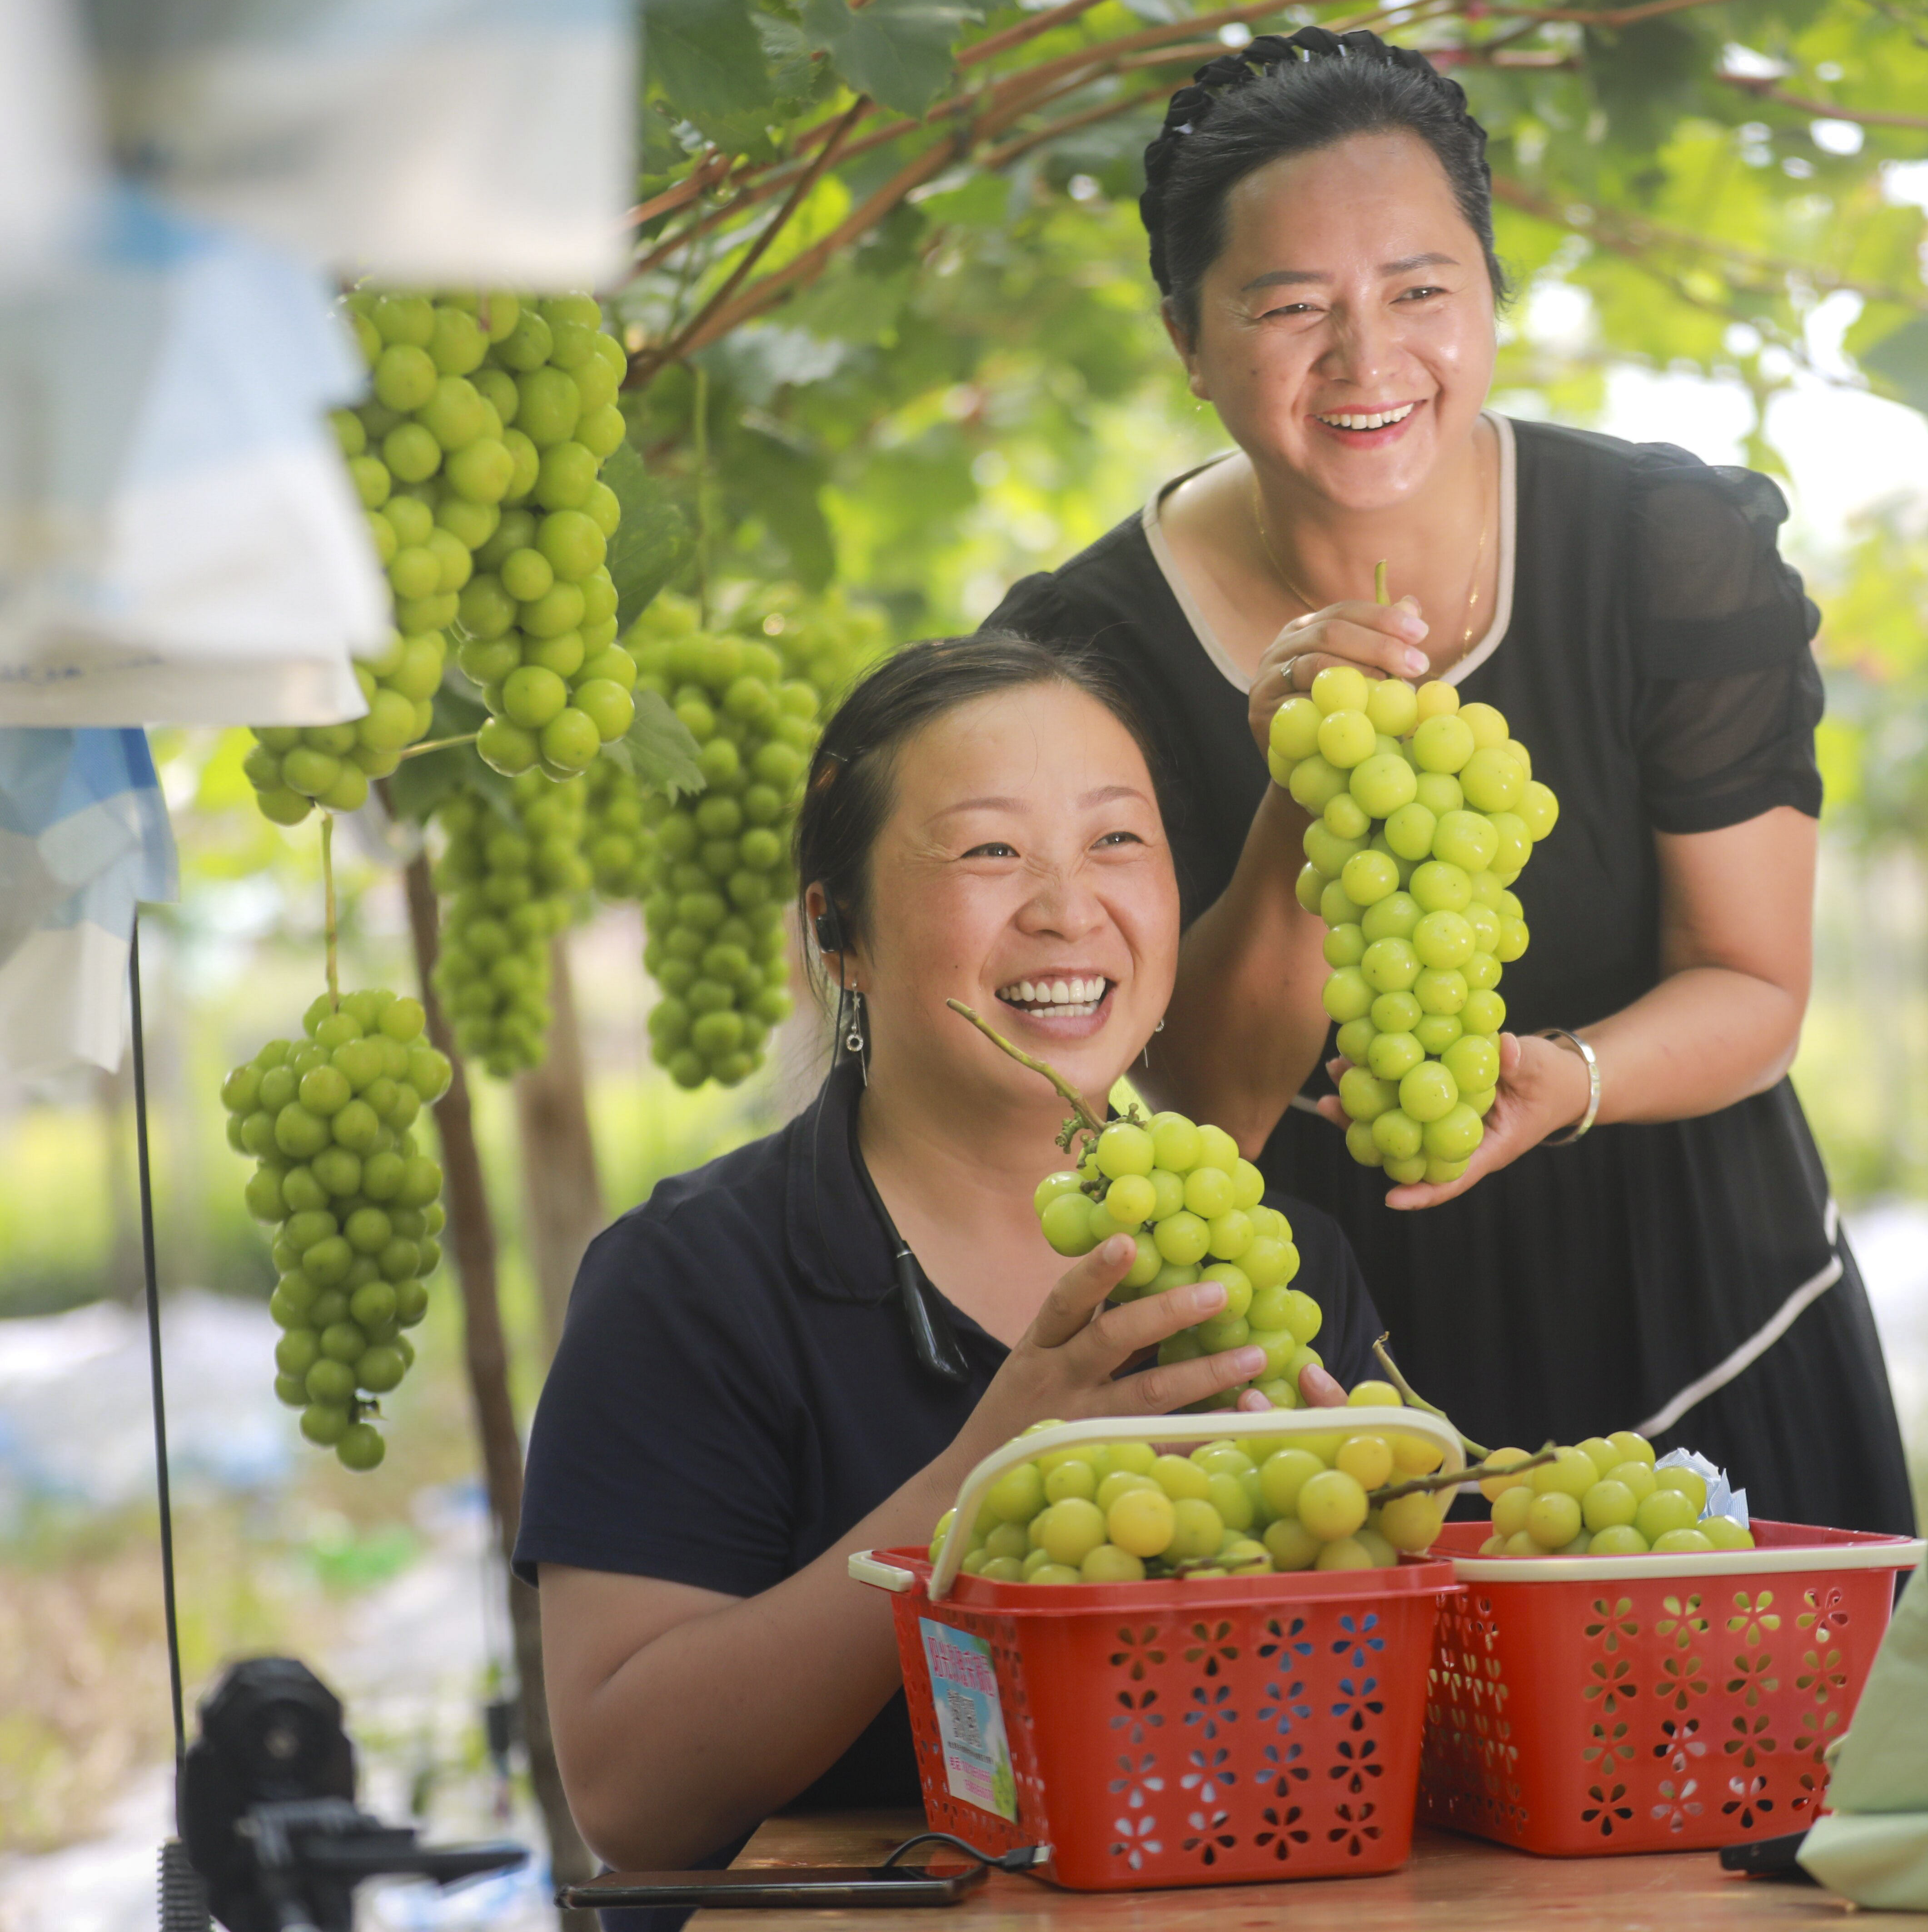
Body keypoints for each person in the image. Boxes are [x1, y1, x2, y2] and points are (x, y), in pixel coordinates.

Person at [985, 27, 1908, 1535]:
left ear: (1490, 292)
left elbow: (1754, 988)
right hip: (1330, 1398)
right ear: (1189, 340)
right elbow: (1205, 1100)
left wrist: (1570, 1080)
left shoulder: (1665, 550)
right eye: (1292, 307)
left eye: (1420, 291)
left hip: (1704, 1315)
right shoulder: (1085, 654)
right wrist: (1300, 800)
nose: (1367, 361)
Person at [516, 634, 1388, 1917]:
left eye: (1116, 840)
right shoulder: (687, 1285)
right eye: (990, 852)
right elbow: (634, 1800)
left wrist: (1360, 1556)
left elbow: (1346, 1745)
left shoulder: (1274, 1260)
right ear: (840, 933)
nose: (1067, 909)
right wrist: (974, 1486)